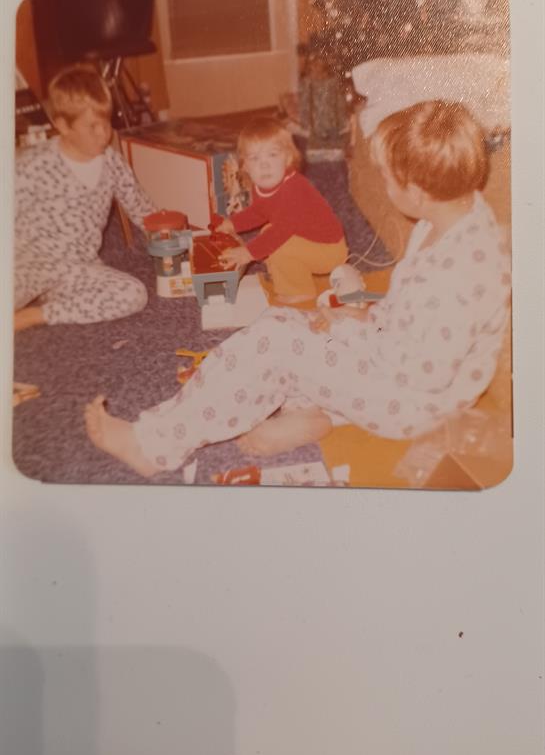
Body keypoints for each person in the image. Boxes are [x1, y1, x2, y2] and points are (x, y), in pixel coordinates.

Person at [85, 100, 511, 478]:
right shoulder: (451, 216)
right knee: (286, 323)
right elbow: (410, 321)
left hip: (409, 401)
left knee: (275, 345)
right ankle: (312, 414)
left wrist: (360, 333)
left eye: (387, 179)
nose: (385, 185)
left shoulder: (456, 278)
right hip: (396, 359)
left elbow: (420, 374)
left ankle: (153, 446)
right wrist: (362, 318)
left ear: (416, 193)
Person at [14, 64, 156, 331]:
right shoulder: (32, 165)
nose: (104, 133)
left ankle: (32, 316)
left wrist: (179, 242)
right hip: (30, 264)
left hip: (77, 269)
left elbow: (143, 211)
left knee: (134, 293)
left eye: (106, 122)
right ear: (62, 125)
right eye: (92, 126)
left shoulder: (112, 162)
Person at [215, 117, 348, 303]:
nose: (264, 164)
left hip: (329, 250)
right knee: (267, 232)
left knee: (279, 245)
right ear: (244, 166)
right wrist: (233, 223)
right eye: (254, 158)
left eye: (273, 155)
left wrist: (248, 253)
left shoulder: (294, 188)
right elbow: (258, 212)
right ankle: (288, 271)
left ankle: (300, 290)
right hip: (306, 239)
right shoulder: (260, 187)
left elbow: (282, 231)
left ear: (288, 158)